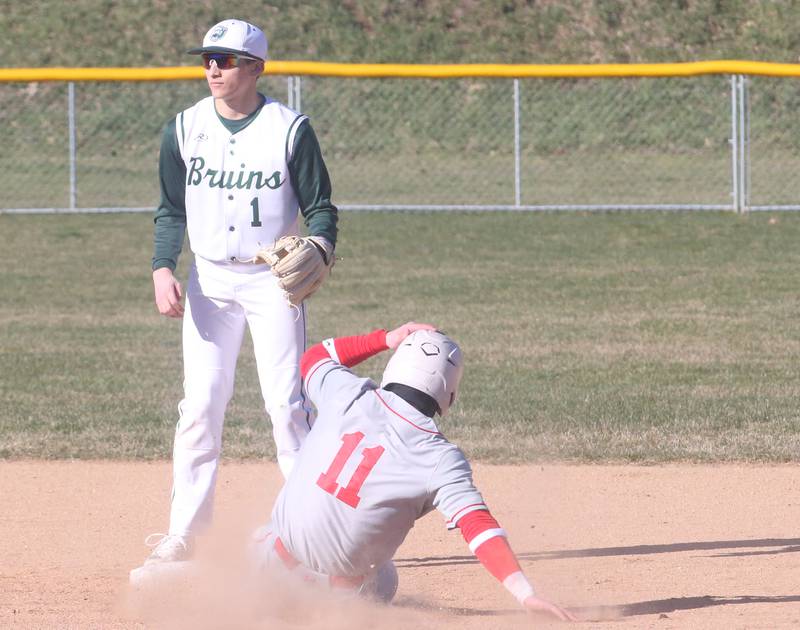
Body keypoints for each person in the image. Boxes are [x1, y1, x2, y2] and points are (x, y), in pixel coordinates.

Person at [143, 18, 338, 566]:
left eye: (225, 60)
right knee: (200, 406)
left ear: (255, 67)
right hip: (209, 281)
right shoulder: (182, 129)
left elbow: (321, 205)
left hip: (270, 282)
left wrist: (320, 245)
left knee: (286, 406)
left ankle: (313, 533)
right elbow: (170, 209)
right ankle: (183, 532)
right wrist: (162, 266)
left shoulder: (289, 128)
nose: (212, 69)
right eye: (207, 59)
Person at [250, 323, 576, 621]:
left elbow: (315, 356)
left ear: (396, 367)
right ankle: (340, 608)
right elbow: (478, 526)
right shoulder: (440, 458)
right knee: (385, 578)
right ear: (448, 393)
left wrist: (384, 339)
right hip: (344, 579)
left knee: (267, 532)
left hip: (283, 550)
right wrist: (526, 594)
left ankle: (267, 582)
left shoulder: (347, 392)